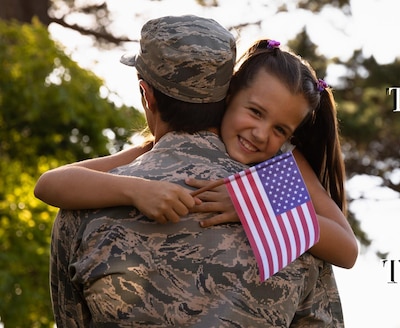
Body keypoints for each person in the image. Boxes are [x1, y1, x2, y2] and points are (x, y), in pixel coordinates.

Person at [35, 15, 354, 327]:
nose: (260, 134)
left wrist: (252, 205)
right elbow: (49, 183)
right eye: (255, 112)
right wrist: (136, 188)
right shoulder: (288, 206)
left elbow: (346, 248)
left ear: (147, 95)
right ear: (228, 94)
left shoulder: (278, 175)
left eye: (280, 129)